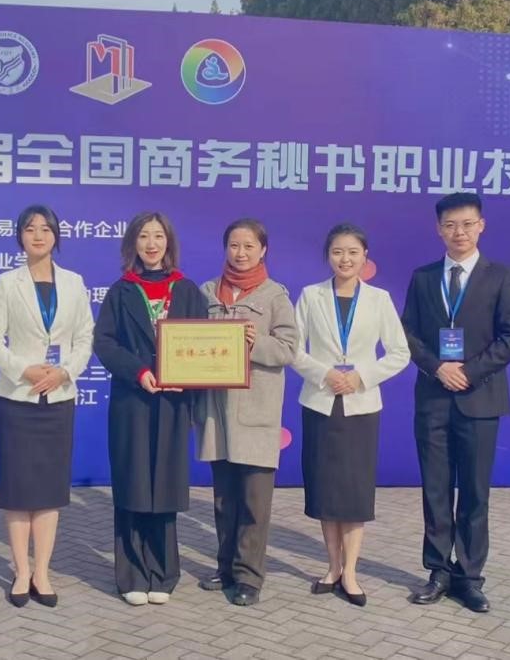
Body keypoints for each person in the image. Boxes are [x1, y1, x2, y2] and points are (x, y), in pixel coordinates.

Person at [401, 192, 510, 614]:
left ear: (481, 226)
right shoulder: (423, 278)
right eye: (451, 225)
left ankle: (469, 577)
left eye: (468, 224)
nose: (460, 232)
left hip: (480, 399)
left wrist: (469, 371)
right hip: (433, 399)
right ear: (439, 229)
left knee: (474, 492)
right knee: (435, 489)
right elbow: (407, 334)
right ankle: (438, 571)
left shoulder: (500, 276)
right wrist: (437, 367)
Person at [0, 204, 94, 608]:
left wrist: (65, 372)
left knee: (48, 490)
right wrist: (22, 370)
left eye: (46, 229)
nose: (38, 235)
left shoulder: (74, 283)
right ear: (20, 237)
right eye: (30, 229)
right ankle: (20, 570)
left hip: (59, 398)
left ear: (56, 236)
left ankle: (42, 571)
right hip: (18, 397)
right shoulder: (6, 283)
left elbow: (85, 338)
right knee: (18, 489)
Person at [291, 223, 410, 608]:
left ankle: (352, 573)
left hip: (360, 406)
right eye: (338, 251)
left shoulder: (378, 299)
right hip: (321, 403)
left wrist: (360, 377)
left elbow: (400, 352)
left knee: (355, 493)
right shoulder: (310, 296)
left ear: (364, 257)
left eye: (353, 252)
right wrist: (324, 374)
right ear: (328, 255)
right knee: (326, 490)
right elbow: (293, 348)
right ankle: (332, 568)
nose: (345, 259)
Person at [93, 211, 209, 606]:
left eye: (159, 236)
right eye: (144, 236)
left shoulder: (187, 291)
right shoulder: (121, 291)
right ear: (133, 243)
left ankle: (163, 573)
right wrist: (139, 371)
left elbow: (204, 344)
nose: (152, 243)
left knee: (165, 486)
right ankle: (131, 574)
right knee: (132, 484)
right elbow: (105, 343)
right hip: (133, 402)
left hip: (173, 404)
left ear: (169, 242)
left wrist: (188, 377)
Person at [194, 218, 299, 607]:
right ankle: (224, 567)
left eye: (249, 246)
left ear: (263, 250)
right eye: (234, 245)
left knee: (255, 500)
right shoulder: (207, 292)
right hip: (217, 410)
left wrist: (256, 343)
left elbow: (288, 348)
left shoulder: (274, 295)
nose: (241, 253)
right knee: (224, 498)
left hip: (257, 411)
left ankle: (249, 576)